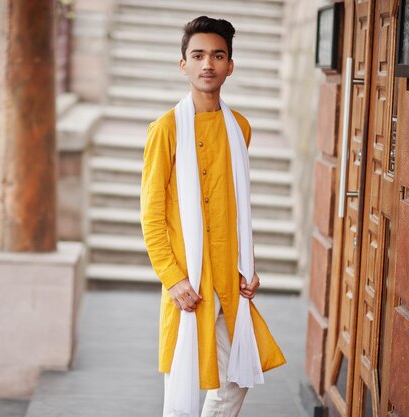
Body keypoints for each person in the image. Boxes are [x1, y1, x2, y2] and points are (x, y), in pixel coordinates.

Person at [140, 16, 286, 417]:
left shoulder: (239, 128)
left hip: (229, 280)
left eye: (217, 56)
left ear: (230, 66)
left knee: (239, 375)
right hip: (190, 282)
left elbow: (238, 206)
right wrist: (172, 277)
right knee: (183, 379)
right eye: (198, 55)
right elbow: (151, 214)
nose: (208, 64)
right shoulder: (166, 129)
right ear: (183, 64)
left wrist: (247, 264)